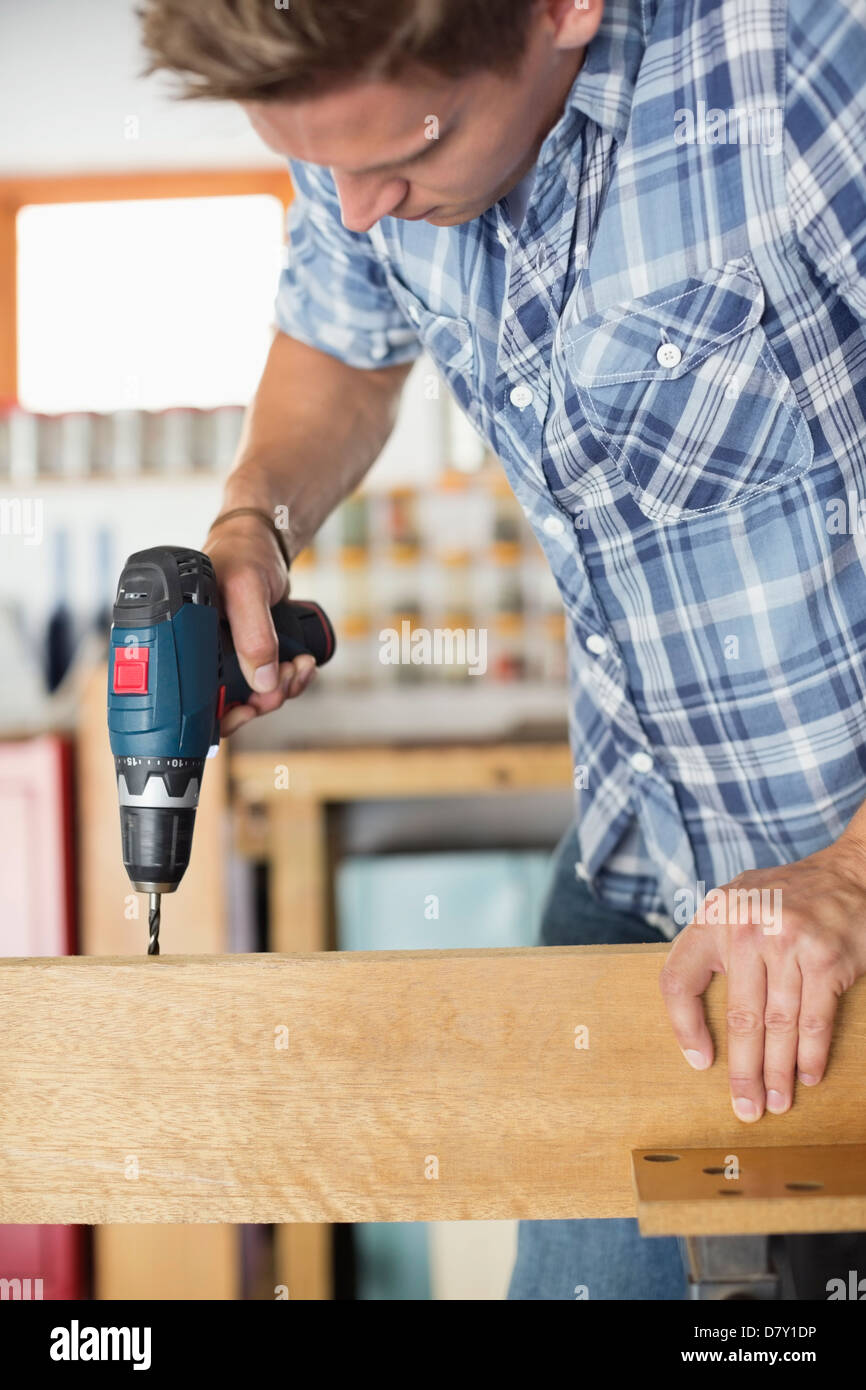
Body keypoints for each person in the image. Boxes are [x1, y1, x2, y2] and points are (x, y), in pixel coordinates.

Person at [141, 0, 866, 1299]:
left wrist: (847, 879)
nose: (359, 209)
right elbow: (338, 347)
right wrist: (256, 518)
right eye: (320, 166)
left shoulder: (801, 63)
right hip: (636, 868)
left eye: (404, 151)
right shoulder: (370, 130)